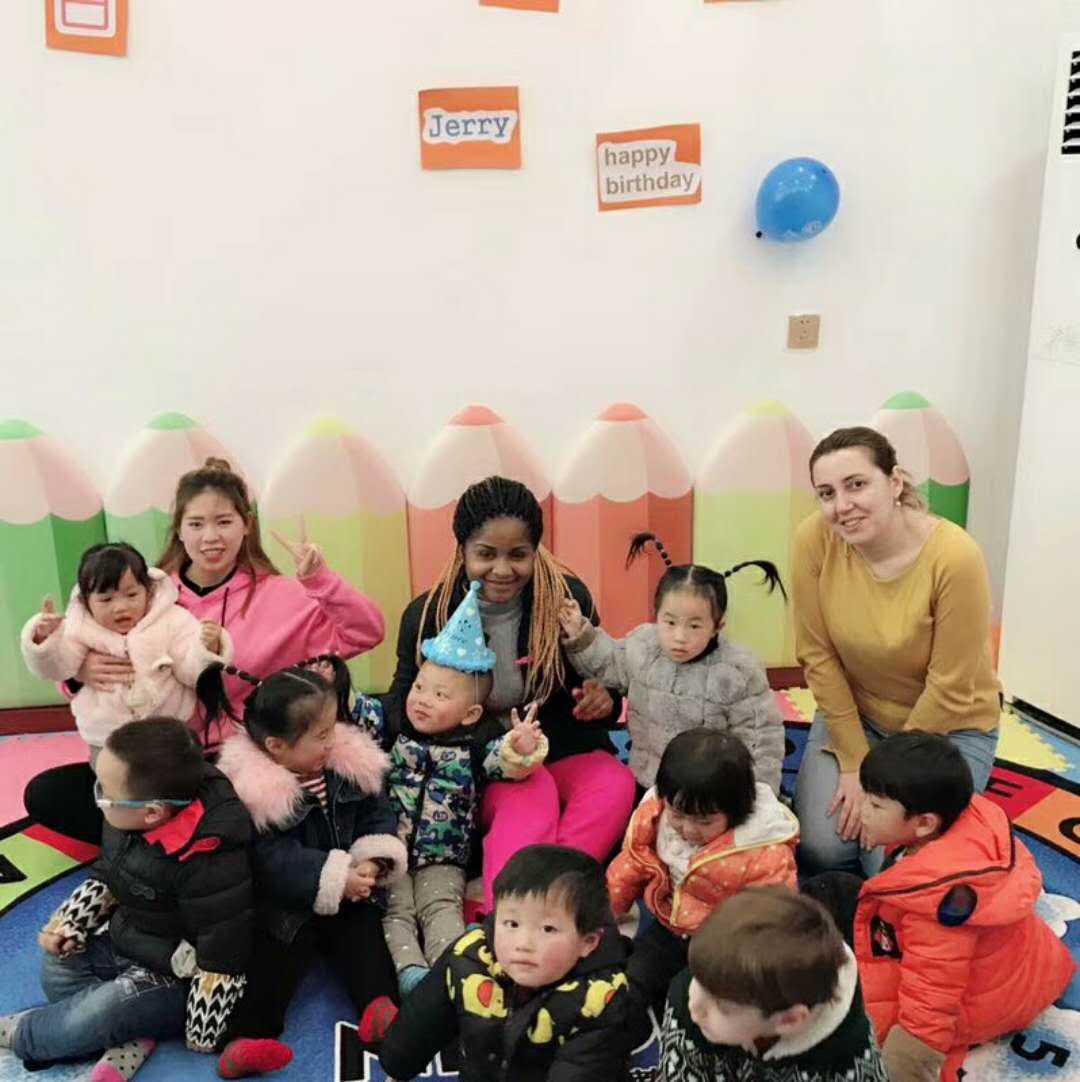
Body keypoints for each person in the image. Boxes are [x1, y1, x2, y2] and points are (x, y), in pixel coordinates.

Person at [25, 457, 386, 845]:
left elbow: (365, 632)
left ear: (247, 525)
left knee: (239, 813)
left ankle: (167, 838)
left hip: (239, 761)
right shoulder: (146, 596)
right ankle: (171, 838)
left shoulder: (284, 597)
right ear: (179, 530)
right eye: (196, 524)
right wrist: (79, 675)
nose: (210, 537)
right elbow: (72, 658)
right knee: (47, 793)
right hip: (157, 755)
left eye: (224, 522)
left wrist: (320, 579)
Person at [384, 476, 634, 916]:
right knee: (532, 792)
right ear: (462, 550)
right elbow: (402, 707)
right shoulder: (427, 615)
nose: (502, 569)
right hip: (475, 765)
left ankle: (552, 896)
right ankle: (510, 914)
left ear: (536, 550)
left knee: (613, 783)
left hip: (557, 747)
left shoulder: (566, 601)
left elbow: (603, 682)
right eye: (486, 554)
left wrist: (602, 701)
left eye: (518, 554)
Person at [0, 718, 273, 1081]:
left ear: (152, 812)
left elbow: (223, 949)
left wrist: (203, 1028)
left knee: (98, 1012)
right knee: (59, 964)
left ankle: (25, 1033)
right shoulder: (125, 819)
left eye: (104, 790)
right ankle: (128, 1032)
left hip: (173, 975)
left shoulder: (210, 858)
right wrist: (72, 923)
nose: (97, 798)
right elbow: (108, 874)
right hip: (128, 939)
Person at [791, 426, 1001, 876]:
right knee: (822, 851)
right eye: (826, 493)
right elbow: (817, 655)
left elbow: (950, 687)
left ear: (895, 482)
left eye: (856, 484)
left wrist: (878, 782)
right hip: (858, 713)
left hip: (947, 729)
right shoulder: (813, 540)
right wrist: (853, 759)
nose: (841, 506)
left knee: (888, 867)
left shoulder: (955, 557)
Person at [853, 732, 1075, 1082]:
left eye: (875, 806)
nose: (861, 809)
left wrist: (898, 1068)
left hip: (982, 1004)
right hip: (1025, 969)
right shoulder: (965, 824)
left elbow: (930, 1005)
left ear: (925, 823)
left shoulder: (939, 907)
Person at [215, 667, 407, 1062]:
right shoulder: (255, 793)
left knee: (364, 931)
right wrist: (333, 876)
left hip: (350, 889)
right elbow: (270, 857)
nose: (331, 741)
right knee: (274, 954)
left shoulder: (348, 766)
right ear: (276, 746)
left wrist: (371, 859)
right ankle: (245, 1039)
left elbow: (377, 812)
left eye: (332, 728)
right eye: (320, 736)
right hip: (289, 900)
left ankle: (378, 1006)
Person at [382, 581, 548, 995]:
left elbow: (508, 764)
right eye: (420, 687)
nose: (422, 699)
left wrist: (522, 747)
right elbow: (358, 713)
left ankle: (449, 974)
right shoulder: (397, 732)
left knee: (441, 909)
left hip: (445, 856)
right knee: (395, 910)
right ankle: (410, 973)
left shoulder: (473, 747)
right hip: (391, 849)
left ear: (471, 713)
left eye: (440, 695)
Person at [376, 845, 644, 1082]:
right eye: (512, 923)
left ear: (588, 942)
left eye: (548, 929)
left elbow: (584, 1070)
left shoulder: (601, 1000)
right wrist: (398, 1063)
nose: (523, 943)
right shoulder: (471, 955)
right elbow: (425, 1019)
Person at [559, 531, 785, 795]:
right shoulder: (643, 646)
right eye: (670, 622)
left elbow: (760, 737)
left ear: (717, 626)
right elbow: (608, 662)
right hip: (649, 779)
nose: (679, 636)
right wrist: (580, 634)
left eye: (694, 625)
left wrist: (757, 797)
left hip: (710, 791)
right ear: (656, 616)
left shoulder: (737, 671)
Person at [607, 730, 798, 1018]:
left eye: (704, 821)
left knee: (700, 1005)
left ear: (737, 811)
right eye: (677, 814)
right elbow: (630, 866)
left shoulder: (762, 851)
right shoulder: (655, 817)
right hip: (669, 930)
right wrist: (605, 915)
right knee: (630, 983)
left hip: (723, 945)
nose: (688, 829)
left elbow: (774, 914)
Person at [20, 542, 230, 768]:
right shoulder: (78, 628)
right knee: (114, 784)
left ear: (148, 590)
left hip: (169, 732)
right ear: (86, 601)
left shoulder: (172, 620)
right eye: (106, 600)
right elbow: (58, 667)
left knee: (175, 779)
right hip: (106, 737)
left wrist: (207, 647)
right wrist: (45, 640)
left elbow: (190, 668)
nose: (120, 607)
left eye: (131, 595)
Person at [655, 888, 888, 1082]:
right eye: (697, 979)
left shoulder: (847, 1060)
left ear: (789, 1020)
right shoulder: (691, 995)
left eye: (723, 1007)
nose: (694, 1005)